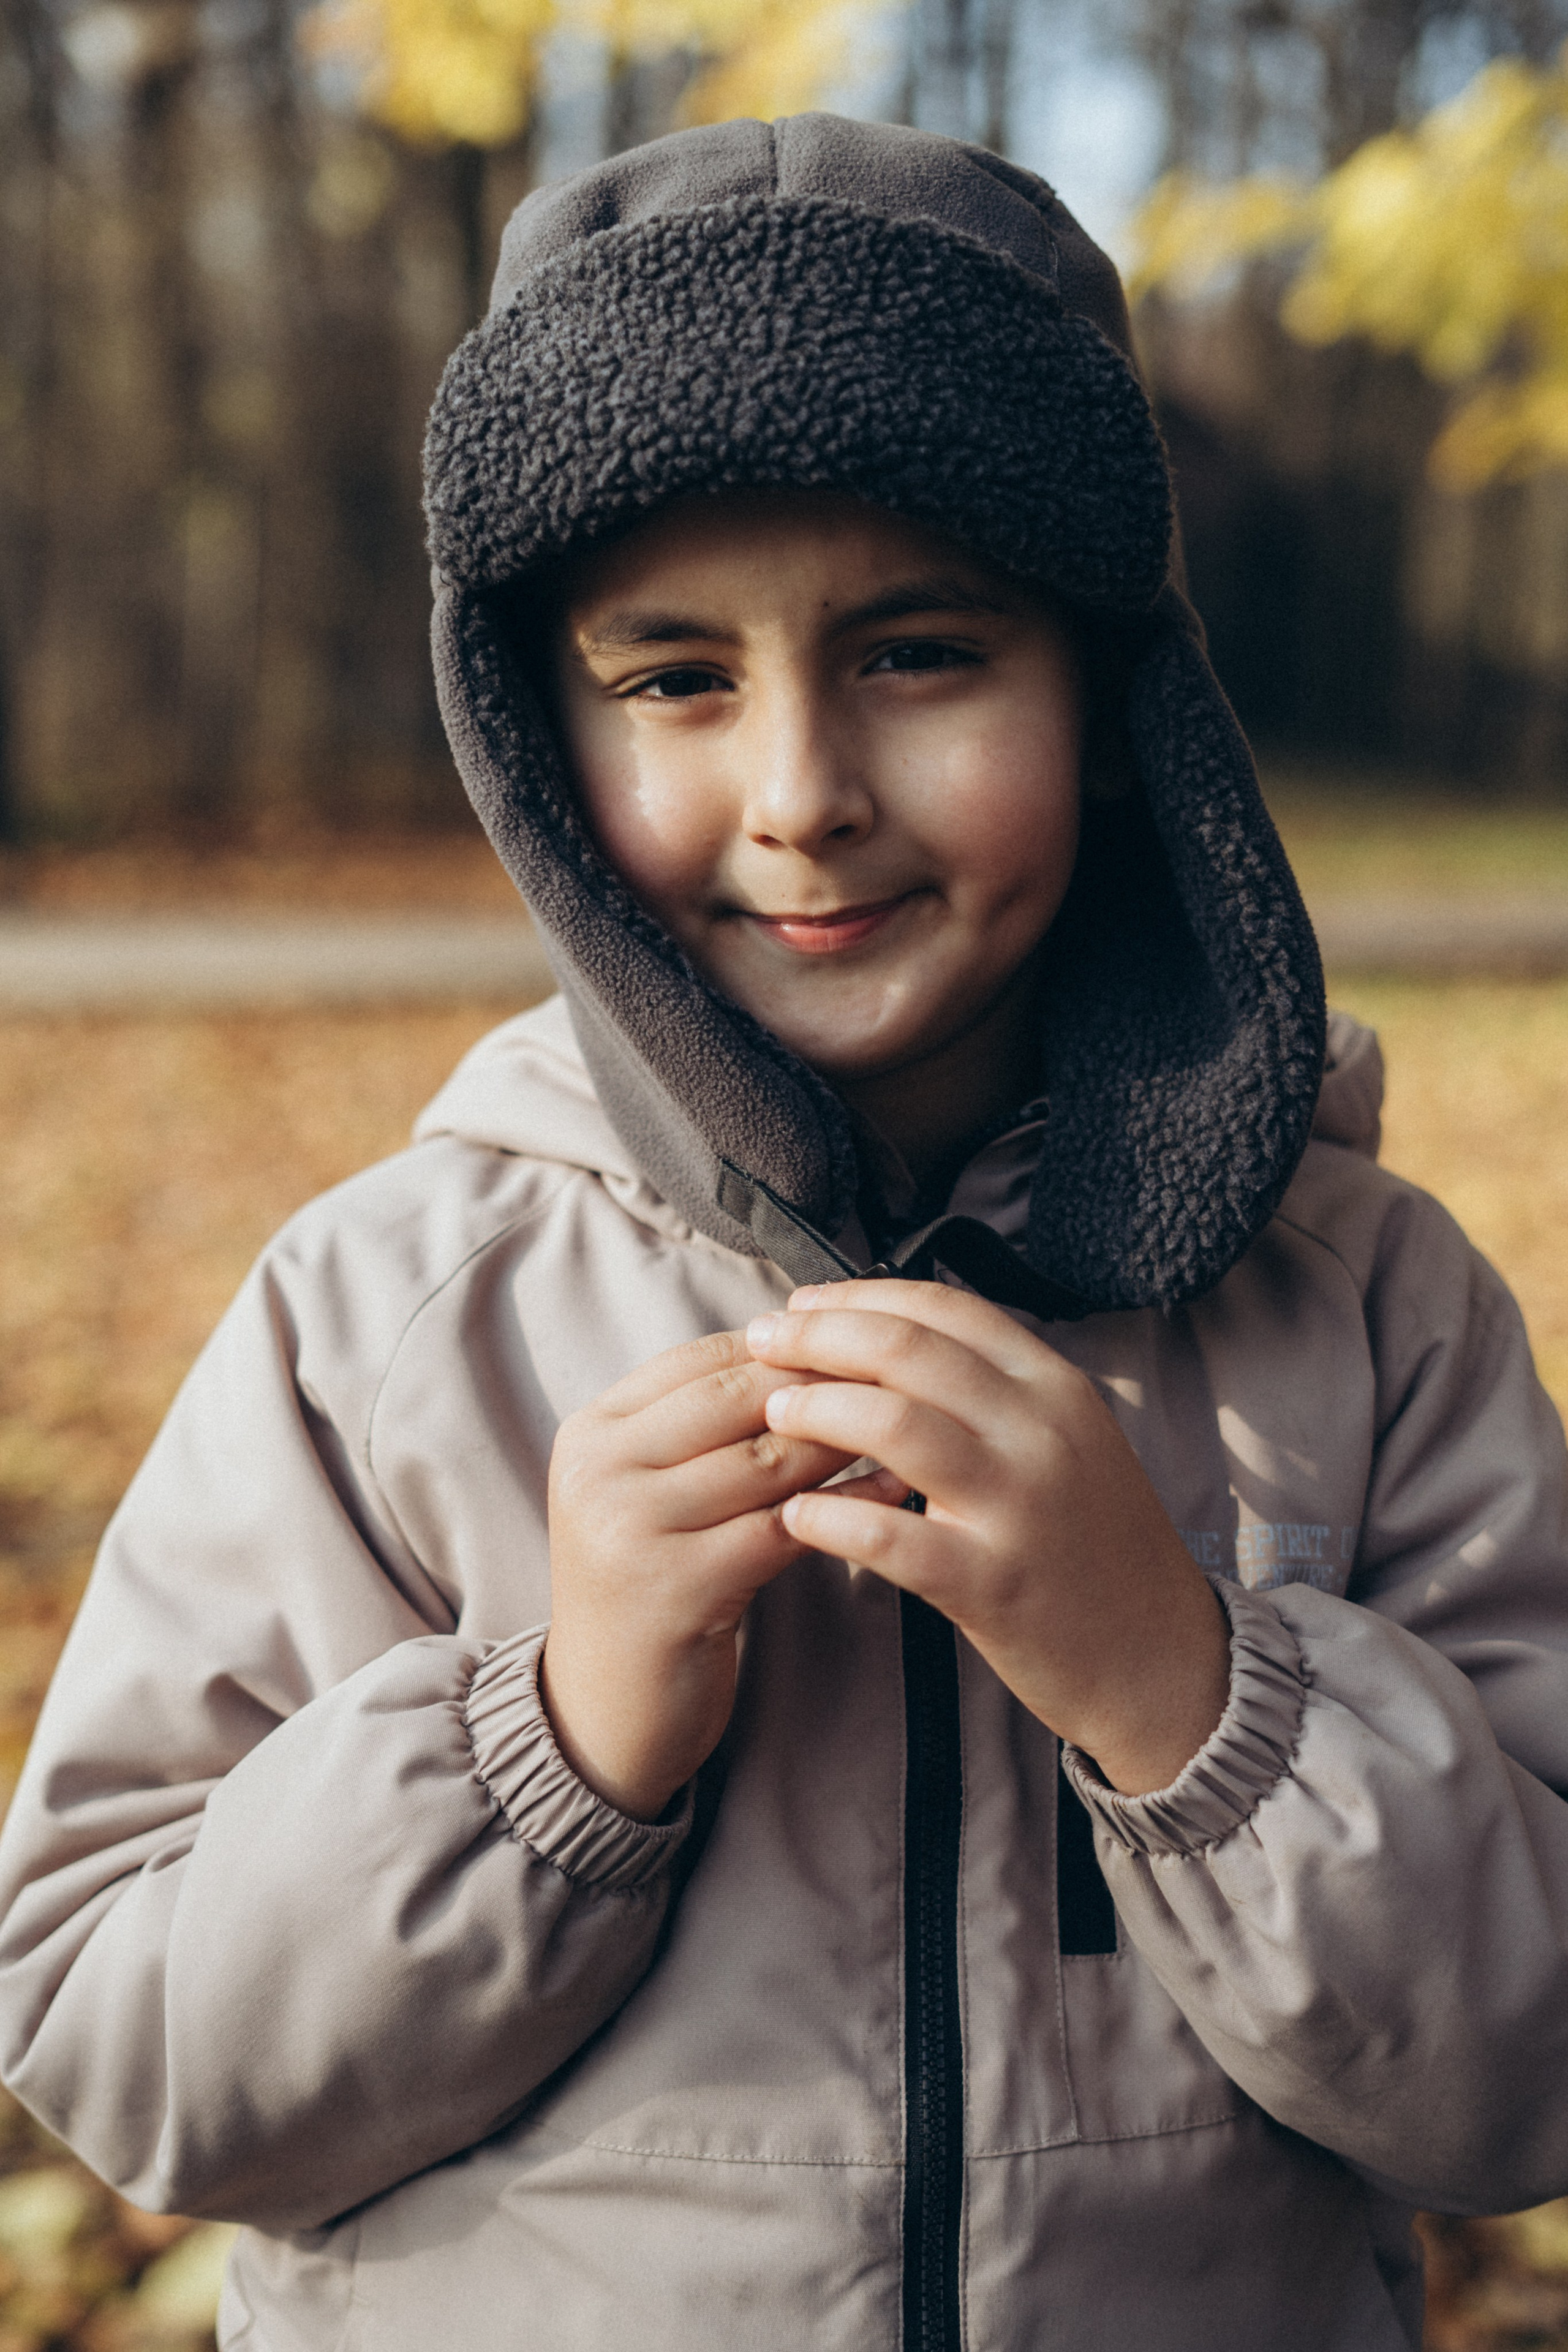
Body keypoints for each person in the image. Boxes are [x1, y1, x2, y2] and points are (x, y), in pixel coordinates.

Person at [1, 113, 1567, 2352]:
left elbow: (1523, 2084)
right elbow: (125, 2050)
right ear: (538, 744)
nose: (804, 793)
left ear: (1116, 706)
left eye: (920, 654)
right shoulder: (383, 1323)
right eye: (675, 681)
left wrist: (1193, 1696)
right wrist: (547, 1747)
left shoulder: (1371, 1310)